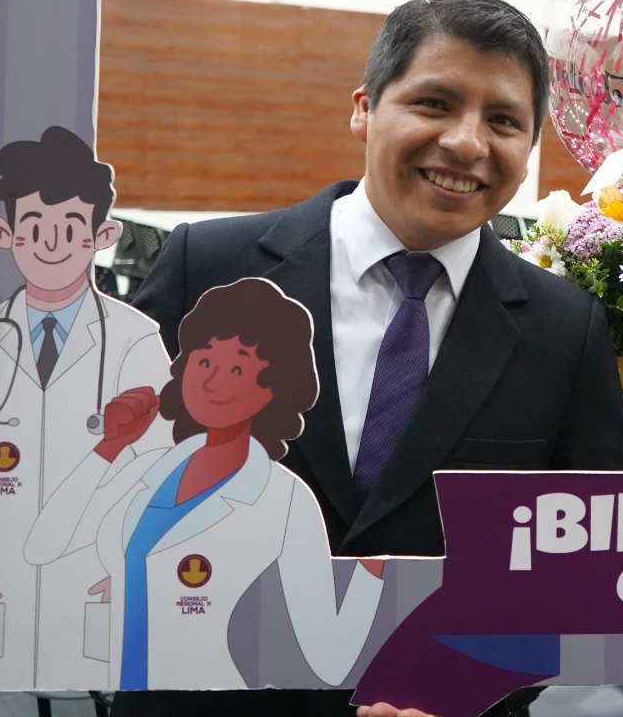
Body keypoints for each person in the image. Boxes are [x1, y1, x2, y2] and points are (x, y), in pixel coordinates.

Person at [0, 0, 623, 717]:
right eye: (434, 103)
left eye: (504, 120)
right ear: (364, 108)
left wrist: (488, 676)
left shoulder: (563, 326)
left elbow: (594, 559)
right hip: (202, 712)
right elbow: (69, 456)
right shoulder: (209, 267)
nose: (467, 142)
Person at [0, 126, 172, 690]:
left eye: (71, 228)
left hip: (99, 590)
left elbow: (166, 479)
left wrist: (128, 569)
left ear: (102, 235)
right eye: (33, 228)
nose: (52, 244)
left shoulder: (136, 341)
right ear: (5, 234)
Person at [26, 279, 384, 691]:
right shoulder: (149, 468)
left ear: (274, 389)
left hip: (217, 707)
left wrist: (375, 571)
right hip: (131, 699)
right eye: (204, 362)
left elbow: (331, 659)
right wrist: (109, 448)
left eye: (237, 369)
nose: (212, 382)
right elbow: (42, 547)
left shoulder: (286, 500)